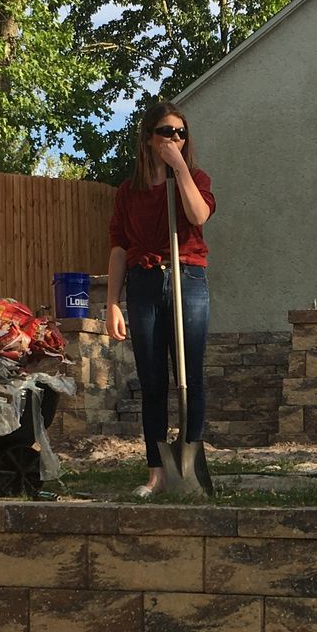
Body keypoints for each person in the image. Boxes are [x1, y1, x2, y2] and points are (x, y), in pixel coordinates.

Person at [106, 100, 216, 497]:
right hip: (145, 284)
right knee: (152, 380)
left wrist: (180, 168)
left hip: (187, 278)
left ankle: (190, 465)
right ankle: (157, 471)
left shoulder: (195, 177)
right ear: (149, 139)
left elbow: (198, 215)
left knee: (189, 375)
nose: (175, 139)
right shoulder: (128, 192)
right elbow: (119, 247)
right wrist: (113, 303)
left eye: (181, 133)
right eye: (167, 133)